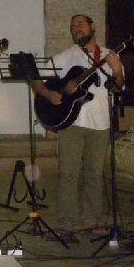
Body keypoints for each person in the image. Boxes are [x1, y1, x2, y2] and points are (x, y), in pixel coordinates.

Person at [31, 14, 125, 242]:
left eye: (80, 24)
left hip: (100, 123)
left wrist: (117, 70)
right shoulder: (65, 57)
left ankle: (93, 223)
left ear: (93, 27)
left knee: (95, 174)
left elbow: (119, 87)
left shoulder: (108, 56)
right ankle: (66, 225)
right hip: (71, 122)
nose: (76, 29)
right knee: (68, 174)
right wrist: (49, 93)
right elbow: (35, 78)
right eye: (73, 26)